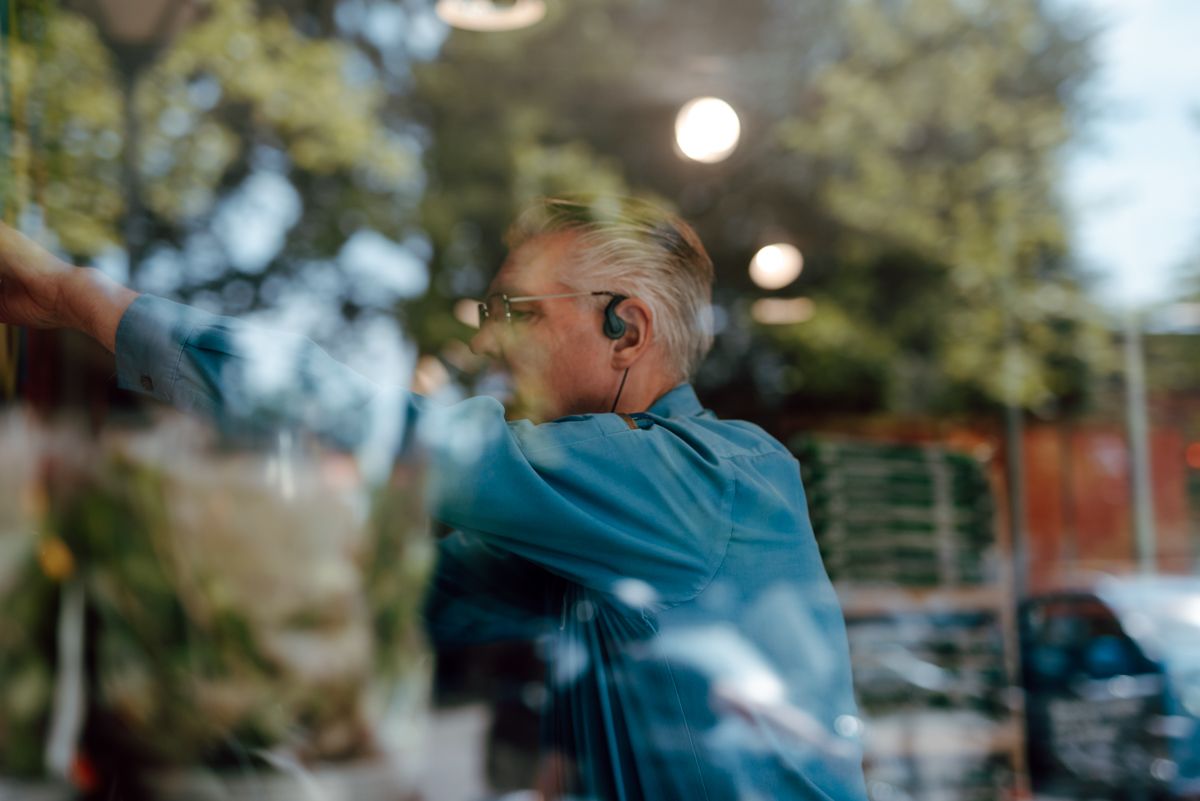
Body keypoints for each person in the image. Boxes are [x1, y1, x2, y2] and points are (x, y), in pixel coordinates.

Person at [0, 198, 868, 801]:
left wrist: (74, 297)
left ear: (626, 330)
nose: (490, 337)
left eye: (517, 309)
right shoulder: (598, 529)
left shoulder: (702, 481)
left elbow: (373, 428)